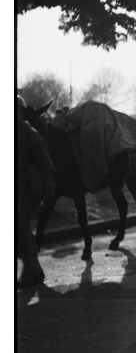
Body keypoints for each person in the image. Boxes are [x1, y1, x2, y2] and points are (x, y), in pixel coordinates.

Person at [17, 96, 56, 288]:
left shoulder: (27, 132)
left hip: (28, 189)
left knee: (20, 230)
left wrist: (48, 186)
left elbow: (44, 160)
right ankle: (34, 270)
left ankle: (31, 270)